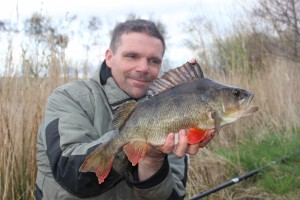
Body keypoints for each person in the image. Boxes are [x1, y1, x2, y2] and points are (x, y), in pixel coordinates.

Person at [36, 18, 215, 200]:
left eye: (154, 61)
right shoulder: (69, 97)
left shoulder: (174, 108)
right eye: (132, 56)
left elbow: (174, 195)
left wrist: (153, 159)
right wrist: (130, 144)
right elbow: (70, 174)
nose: (143, 67)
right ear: (109, 57)